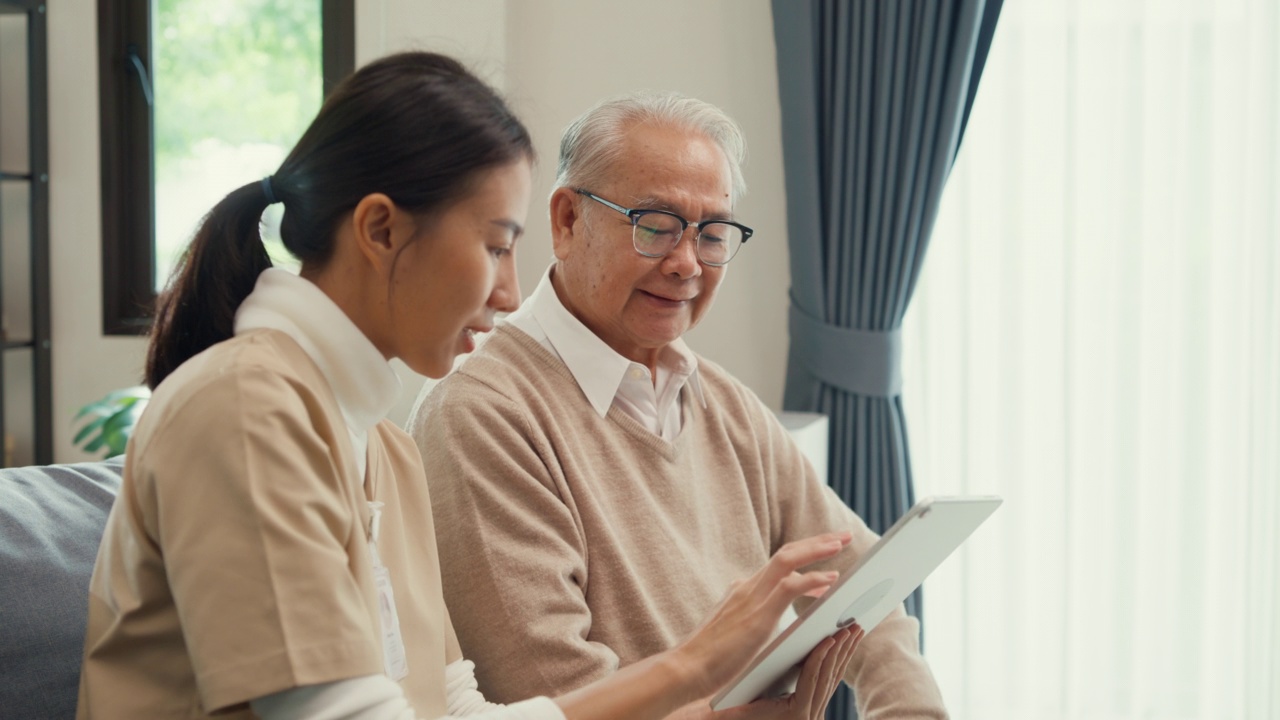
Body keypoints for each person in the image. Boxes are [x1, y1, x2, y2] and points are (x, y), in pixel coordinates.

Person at [76, 54, 864, 720]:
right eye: (495, 246)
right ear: (381, 230)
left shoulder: (380, 446)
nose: (508, 292)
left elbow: (458, 710)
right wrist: (694, 669)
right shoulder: (246, 409)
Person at [408, 91, 950, 718]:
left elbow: (866, 579)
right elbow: (556, 698)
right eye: (656, 226)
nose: (687, 263)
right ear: (566, 221)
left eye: (712, 233)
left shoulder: (721, 400)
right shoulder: (481, 412)